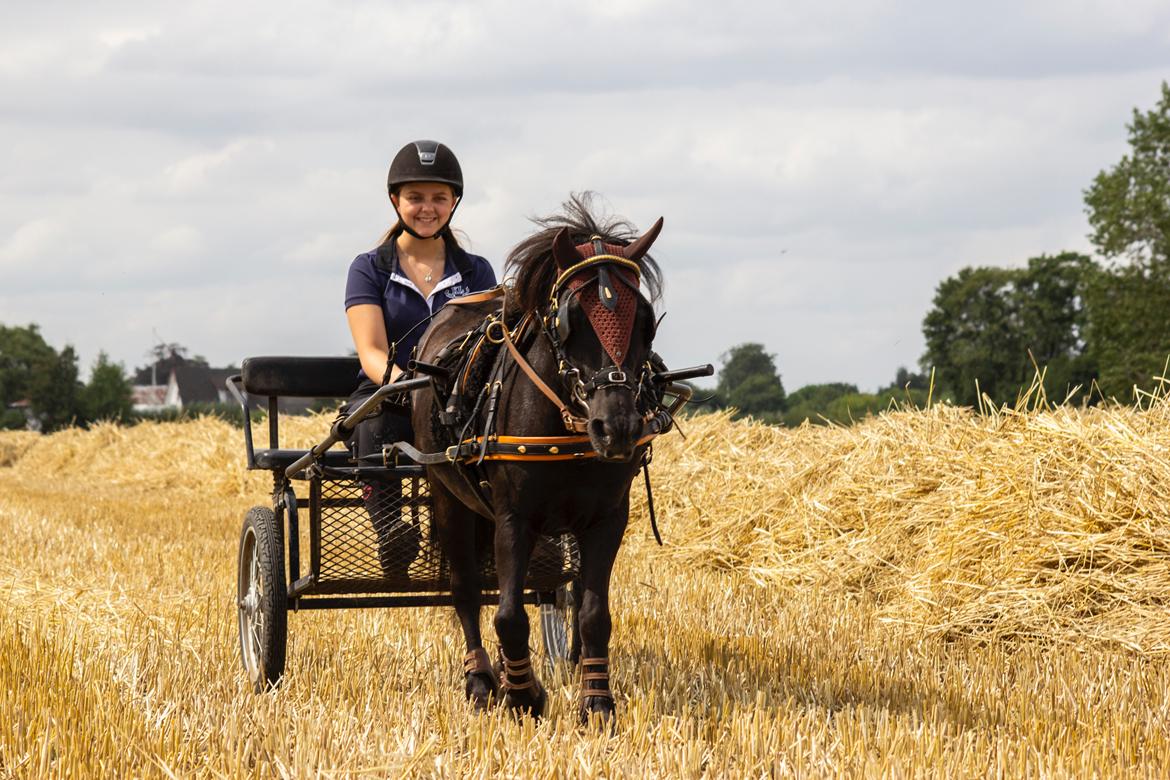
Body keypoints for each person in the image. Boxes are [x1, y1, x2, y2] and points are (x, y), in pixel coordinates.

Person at [343, 140, 497, 579]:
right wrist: (406, 388)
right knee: (371, 423)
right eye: (415, 197)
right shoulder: (369, 268)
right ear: (396, 200)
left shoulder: (476, 272)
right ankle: (391, 533)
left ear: (454, 203)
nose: (426, 208)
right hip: (387, 391)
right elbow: (371, 351)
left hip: (460, 398)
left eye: (438, 198)